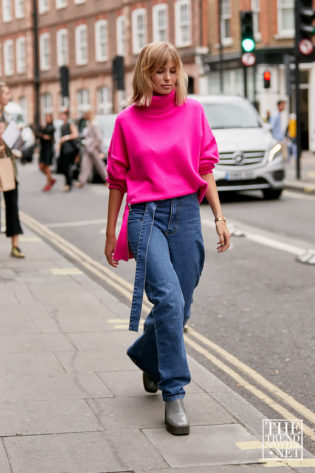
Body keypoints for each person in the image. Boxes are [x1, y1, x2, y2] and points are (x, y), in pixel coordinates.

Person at [104, 42, 230, 436]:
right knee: (169, 300)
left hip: (187, 213)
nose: (167, 78)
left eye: (173, 71)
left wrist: (219, 216)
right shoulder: (126, 121)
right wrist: (111, 230)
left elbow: (205, 167)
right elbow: (117, 180)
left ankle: (147, 355)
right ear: (145, 73)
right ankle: (173, 392)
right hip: (146, 216)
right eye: (159, 71)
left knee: (183, 304)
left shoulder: (193, 112)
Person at [0, 82, 24, 258]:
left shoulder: (8, 117)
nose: (9, 96)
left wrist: (16, 135)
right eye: (6, 93)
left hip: (8, 164)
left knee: (12, 204)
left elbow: (12, 142)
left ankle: (15, 245)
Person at [75, 110, 107, 188]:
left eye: (85, 114)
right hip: (88, 148)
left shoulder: (94, 124)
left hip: (93, 149)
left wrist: (94, 146)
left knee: (100, 165)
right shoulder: (89, 124)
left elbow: (99, 138)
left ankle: (108, 180)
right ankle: (81, 181)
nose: (84, 116)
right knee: (85, 164)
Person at [57, 110, 79, 192]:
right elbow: (60, 139)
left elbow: (75, 135)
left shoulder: (70, 124)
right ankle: (68, 183)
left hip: (70, 149)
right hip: (64, 149)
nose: (62, 117)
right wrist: (58, 147)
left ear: (66, 116)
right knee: (65, 167)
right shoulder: (62, 126)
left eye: (63, 115)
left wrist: (65, 137)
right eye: (61, 115)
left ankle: (68, 184)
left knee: (68, 167)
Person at [38, 113, 56, 191]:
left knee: (47, 167)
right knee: (41, 167)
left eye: (48, 118)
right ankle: (51, 179)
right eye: (46, 118)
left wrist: (42, 135)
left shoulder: (52, 127)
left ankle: (48, 184)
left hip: (48, 149)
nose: (47, 119)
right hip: (43, 149)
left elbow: (47, 137)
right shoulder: (45, 127)